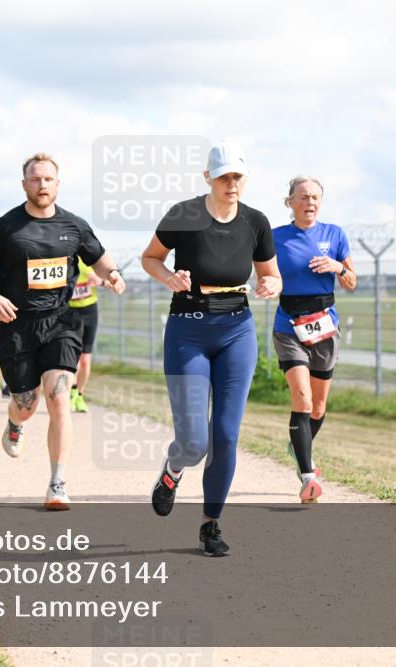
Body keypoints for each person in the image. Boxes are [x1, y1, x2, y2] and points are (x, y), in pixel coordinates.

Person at [141, 142, 281, 556]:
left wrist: (271, 284)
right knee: (194, 441)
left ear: (245, 178)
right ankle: (173, 470)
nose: (230, 183)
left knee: (226, 434)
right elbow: (150, 258)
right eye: (223, 176)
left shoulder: (256, 222)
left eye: (237, 176)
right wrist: (169, 278)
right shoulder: (183, 214)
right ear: (208, 177)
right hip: (188, 329)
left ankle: (211, 524)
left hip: (237, 330)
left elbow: (271, 274)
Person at [0, 152, 126, 510]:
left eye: (48, 179)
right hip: (16, 325)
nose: (42, 184)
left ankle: (57, 483)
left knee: (59, 399)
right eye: (35, 179)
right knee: (26, 405)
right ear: (24, 184)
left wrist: (113, 274)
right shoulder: (7, 227)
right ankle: (15, 422)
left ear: (58, 184)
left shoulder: (74, 225)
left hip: (60, 322)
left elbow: (98, 257)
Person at [272, 175, 357, 503]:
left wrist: (338, 267)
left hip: (324, 325)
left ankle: (298, 446)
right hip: (289, 324)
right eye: (303, 197)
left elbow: (352, 282)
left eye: (315, 197)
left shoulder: (335, 234)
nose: (310, 202)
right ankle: (308, 476)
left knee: (318, 408)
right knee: (303, 400)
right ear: (290, 202)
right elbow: (262, 271)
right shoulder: (276, 238)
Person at [68, 258, 103, 412]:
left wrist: (100, 281)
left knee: (85, 360)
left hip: (90, 311)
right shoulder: (66, 256)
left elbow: (111, 279)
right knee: (72, 358)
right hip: (70, 311)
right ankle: (72, 391)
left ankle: (80, 395)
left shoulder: (92, 258)